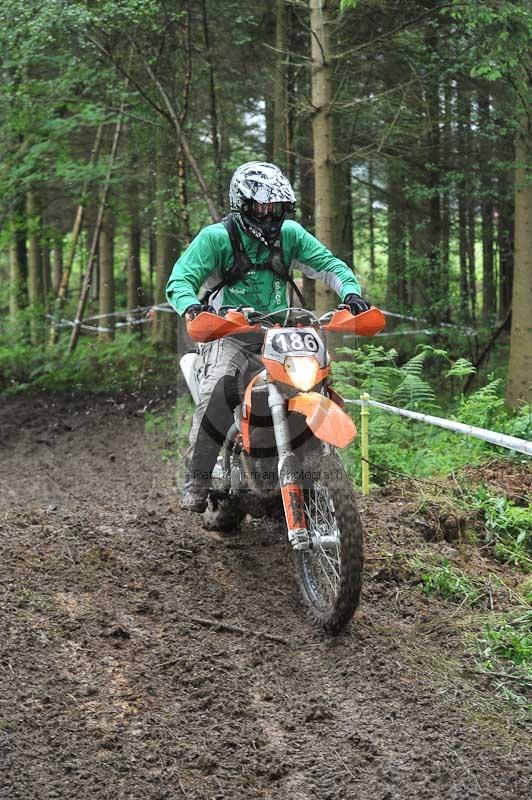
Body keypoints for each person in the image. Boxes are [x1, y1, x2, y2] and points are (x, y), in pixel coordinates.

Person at [166, 161, 369, 513]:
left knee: (313, 381)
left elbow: (329, 265)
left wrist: (350, 293)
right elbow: (179, 280)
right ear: (242, 205)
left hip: (278, 332)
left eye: (276, 207)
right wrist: (191, 308)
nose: (269, 214)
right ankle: (198, 477)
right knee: (219, 387)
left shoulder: (289, 234)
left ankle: (313, 466)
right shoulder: (217, 238)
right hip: (227, 332)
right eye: (262, 206)